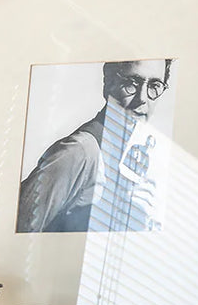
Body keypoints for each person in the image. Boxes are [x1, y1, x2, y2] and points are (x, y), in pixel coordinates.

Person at [15, 58, 172, 233]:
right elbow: (19, 233)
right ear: (108, 83)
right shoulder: (79, 152)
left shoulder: (137, 155)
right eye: (131, 83)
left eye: (155, 86)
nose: (142, 98)